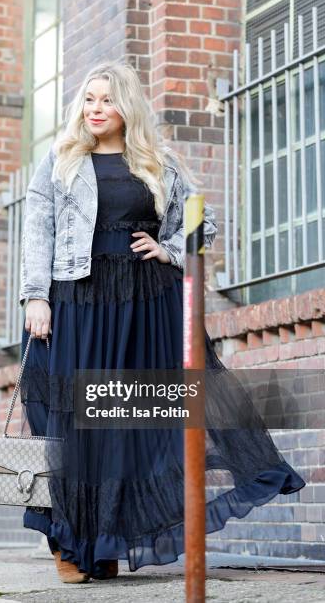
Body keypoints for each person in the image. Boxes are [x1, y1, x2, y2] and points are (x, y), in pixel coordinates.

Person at [18, 61, 305, 583]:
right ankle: (71, 540)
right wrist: (36, 298)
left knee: (131, 424)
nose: (96, 109)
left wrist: (169, 249)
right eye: (89, 99)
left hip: (145, 306)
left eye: (106, 99)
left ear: (127, 106)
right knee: (69, 425)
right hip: (76, 303)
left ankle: (106, 541)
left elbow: (203, 224)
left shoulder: (159, 162)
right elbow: (38, 233)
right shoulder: (59, 163)